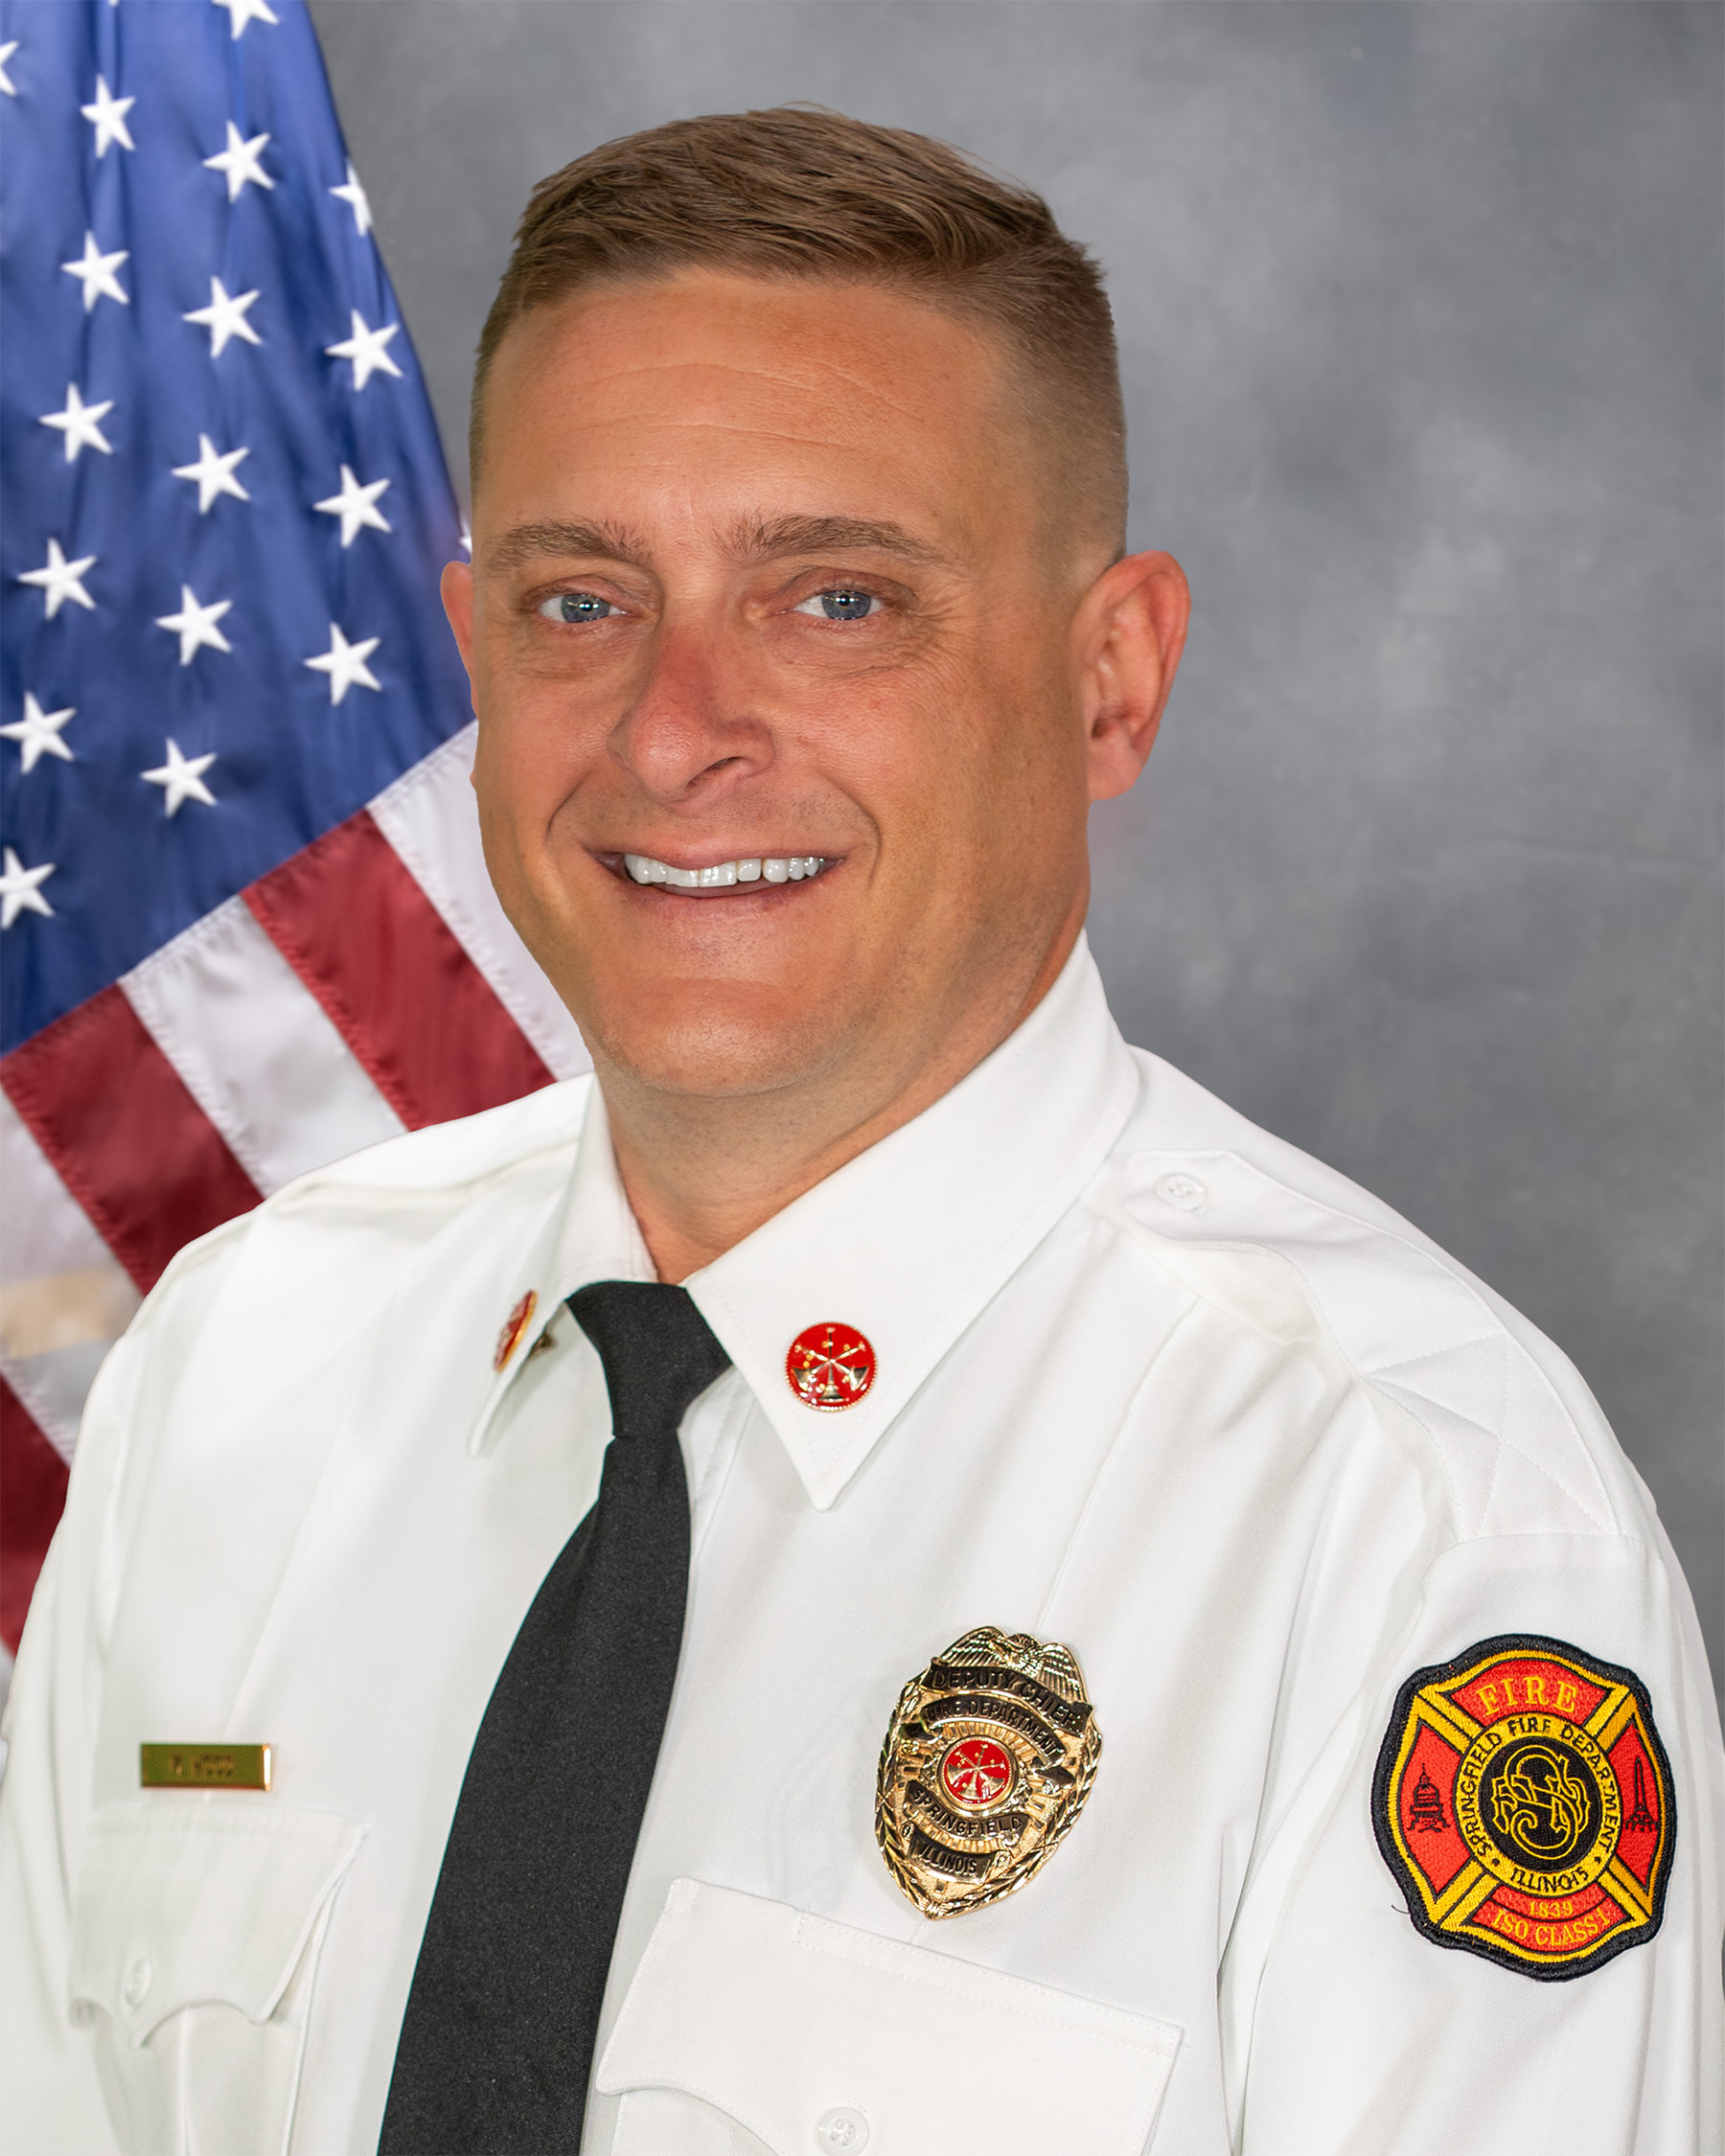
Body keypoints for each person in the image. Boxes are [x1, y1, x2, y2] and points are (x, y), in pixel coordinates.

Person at [2, 106, 1718, 2156]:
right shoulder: (236, 1369)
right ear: (473, 654)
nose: (672, 734)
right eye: (579, 602)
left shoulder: (1406, 1517)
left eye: (836, 600)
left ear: (1111, 680)